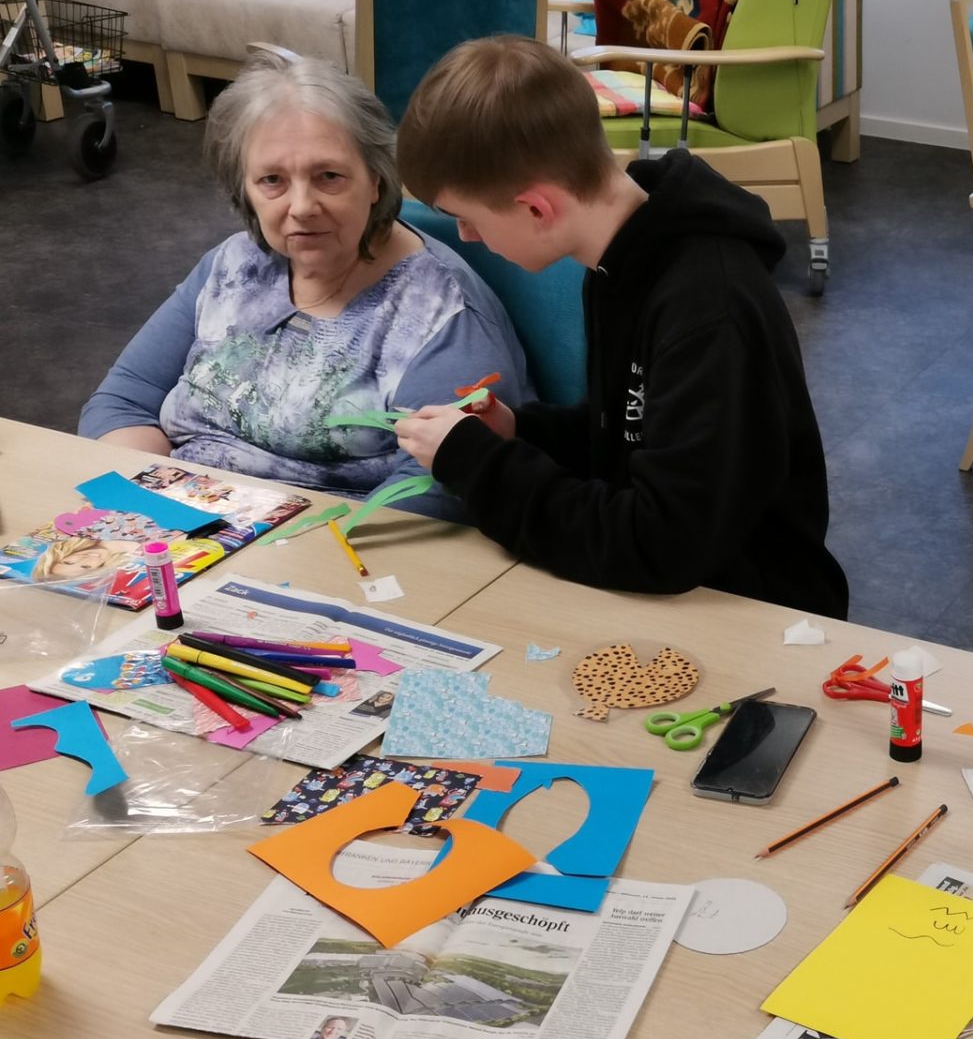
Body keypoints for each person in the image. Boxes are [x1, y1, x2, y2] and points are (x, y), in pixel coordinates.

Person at [389, 35, 848, 618]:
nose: (467, 237)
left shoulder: (708, 310)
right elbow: (637, 432)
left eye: (468, 218)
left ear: (536, 209)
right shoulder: (621, 257)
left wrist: (479, 465)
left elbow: (662, 544)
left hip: (751, 612)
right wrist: (521, 434)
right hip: (676, 590)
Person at [79, 49, 530, 517]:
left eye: (328, 177)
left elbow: (439, 488)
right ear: (245, 190)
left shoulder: (439, 310)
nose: (302, 206)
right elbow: (124, 400)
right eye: (272, 180)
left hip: (340, 552)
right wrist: (150, 512)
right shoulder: (232, 265)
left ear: (376, 179)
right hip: (176, 529)